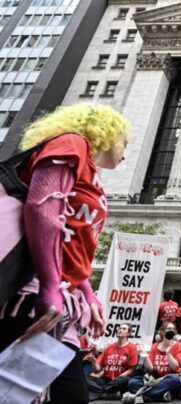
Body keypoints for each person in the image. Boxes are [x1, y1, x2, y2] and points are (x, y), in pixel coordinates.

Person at [0, 104, 130, 404]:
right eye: (125, 141)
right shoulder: (72, 143)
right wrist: (49, 285)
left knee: (47, 393)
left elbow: (71, 245)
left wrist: (88, 293)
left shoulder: (92, 176)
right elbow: (42, 208)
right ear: (105, 133)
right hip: (30, 292)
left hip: (62, 301)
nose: (126, 152)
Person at [126, 322, 181, 402]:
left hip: (169, 379)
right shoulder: (154, 346)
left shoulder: (178, 345)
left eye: (173, 329)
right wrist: (145, 356)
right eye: (169, 328)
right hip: (155, 380)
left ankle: (144, 396)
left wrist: (168, 354)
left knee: (175, 379)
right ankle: (159, 395)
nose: (171, 330)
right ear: (162, 331)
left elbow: (176, 368)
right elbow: (151, 369)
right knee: (132, 382)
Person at [85, 324, 138, 401]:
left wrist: (117, 379)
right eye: (119, 328)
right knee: (85, 378)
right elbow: (97, 370)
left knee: (125, 380)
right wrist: (93, 361)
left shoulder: (132, 347)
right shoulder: (109, 347)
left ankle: (101, 392)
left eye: (124, 329)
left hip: (119, 380)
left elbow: (131, 370)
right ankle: (107, 393)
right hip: (106, 379)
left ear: (128, 333)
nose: (120, 330)